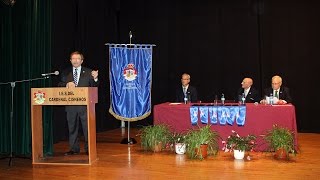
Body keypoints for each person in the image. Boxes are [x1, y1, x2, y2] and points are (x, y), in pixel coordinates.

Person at [58, 51, 99, 155]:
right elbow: (60, 84)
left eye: (77, 59)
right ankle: (74, 149)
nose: (75, 61)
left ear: (82, 60)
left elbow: (95, 86)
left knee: (87, 128)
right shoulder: (66, 72)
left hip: (85, 105)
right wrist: (66, 84)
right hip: (70, 105)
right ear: (70, 60)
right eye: (73, 59)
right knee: (72, 128)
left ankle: (89, 149)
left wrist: (95, 78)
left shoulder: (89, 72)